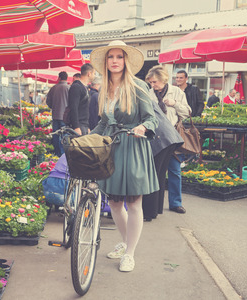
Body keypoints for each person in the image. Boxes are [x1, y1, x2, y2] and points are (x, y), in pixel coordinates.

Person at [89, 40, 159, 272]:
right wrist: (87, 138)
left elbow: (152, 118)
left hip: (134, 146)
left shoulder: (138, 86)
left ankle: (129, 254)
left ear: (125, 61)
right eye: (111, 57)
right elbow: (103, 122)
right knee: (115, 202)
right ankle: (126, 241)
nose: (115, 61)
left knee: (133, 201)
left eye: (119, 57)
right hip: (112, 147)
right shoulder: (103, 88)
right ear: (106, 62)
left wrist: (143, 127)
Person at [146, 65, 190, 216]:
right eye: (151, 82)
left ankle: (175, 203)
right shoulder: (148, 93)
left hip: (172, 136)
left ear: (163, 80)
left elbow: (188, 112)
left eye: (155, 82)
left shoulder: (176, 91)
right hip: (155, 138)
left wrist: (174, 104)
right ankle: (155, 206)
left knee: (175, 171)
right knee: (156, 173)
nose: (153, 85)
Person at [68, 63, 95, 136]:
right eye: (94, 73)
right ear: (89, 73)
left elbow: (85, 109)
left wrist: (87, 127)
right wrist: (76, 127)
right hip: (79, 125)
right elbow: (73, 107)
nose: (94, 76)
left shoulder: (85, 88)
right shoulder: (76, 87)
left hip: (84, 125)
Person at [46, 71, 70, 156]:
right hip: (66, 118)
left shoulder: (53, 88)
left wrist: (54, 107)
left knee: (56, 135)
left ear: (59, 78)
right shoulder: (69, 88)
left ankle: (57, 154)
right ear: (66, 78)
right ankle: (63, 155)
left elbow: (48, 102)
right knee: (65, 136)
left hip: (55, 116)